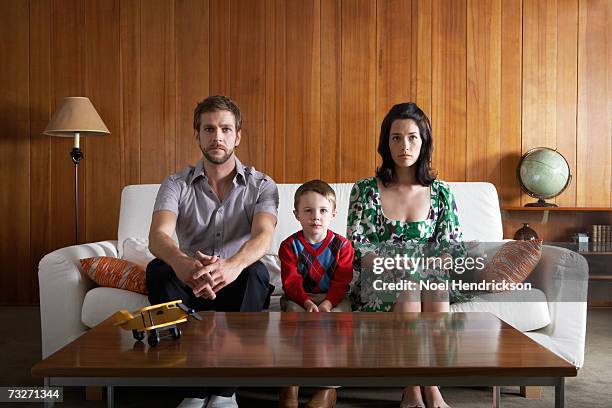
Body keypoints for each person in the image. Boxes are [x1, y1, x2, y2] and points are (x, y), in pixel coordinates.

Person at [146, 95, 279, 408]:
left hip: (235, 281)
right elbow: (158, 235)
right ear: (197, 135)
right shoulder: (175, 184)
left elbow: (263, 236)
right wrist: (183, 264)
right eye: (208, 129)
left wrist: (230, 267)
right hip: (188, 282)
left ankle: (223, 393)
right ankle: (192, 392)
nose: (217, 136)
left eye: (225, 129)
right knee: (158, 270)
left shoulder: (262, 184)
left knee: (257, 272)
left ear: (238, 135)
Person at [347, 102, 464, 408]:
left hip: (428, 279)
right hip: (381, 279)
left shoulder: (441, 192)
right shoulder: (366, 190)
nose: (404, 145)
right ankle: (413, 387)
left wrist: (427, 266)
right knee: (408, 285)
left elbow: (451, 248)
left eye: (412, 137)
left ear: (424, 142)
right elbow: (359, 249)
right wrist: (399, 266)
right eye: (396, 137)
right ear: (386, 143)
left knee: (435, 284)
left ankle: (432, 384)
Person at [278, 180, 354, 408]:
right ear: (296, 214)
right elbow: (290, 282)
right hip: (300, 297)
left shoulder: (342, 245)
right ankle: (290, 386)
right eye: (308, 211)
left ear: (333, 214)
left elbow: (342, 281)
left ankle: (327, 389)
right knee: (292, 316)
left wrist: (329, 304)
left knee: (342, 320)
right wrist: (307, 302)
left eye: (323, 211)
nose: (315, 217)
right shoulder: (289, 246)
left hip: (334, 297)